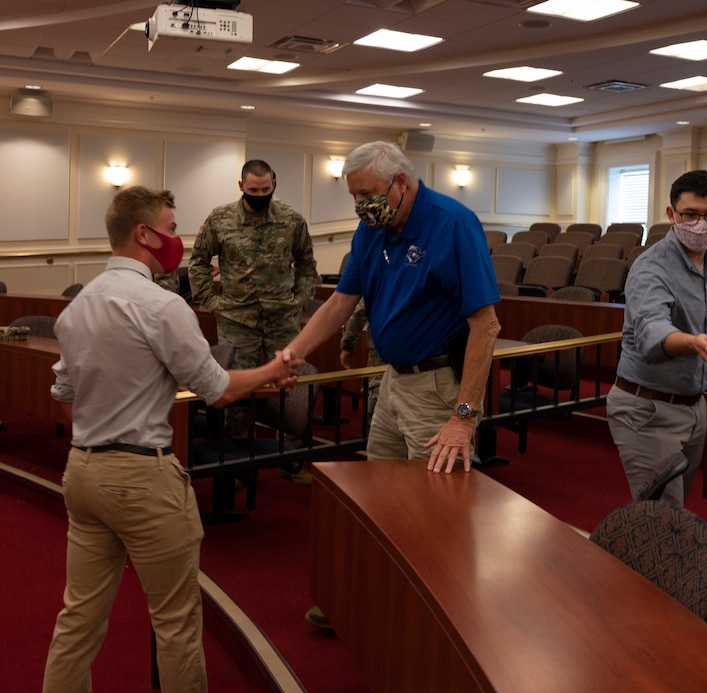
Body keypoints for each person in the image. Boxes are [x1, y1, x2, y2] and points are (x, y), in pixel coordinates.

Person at [39, 186, 300, 693]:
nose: (179, 240)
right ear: (143, 234)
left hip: (83, 472)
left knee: (77, 621)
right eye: (172, 227)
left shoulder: (77, 307)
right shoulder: (162, 305)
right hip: (142, 478)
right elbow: (217, 389)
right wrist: (272, 372)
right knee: (176, 620)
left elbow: (62, 396)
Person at [283, 141, 500, 626]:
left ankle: (444, 623)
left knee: (437, 514)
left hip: (439, 386)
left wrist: (463, 420)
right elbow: (341, 303)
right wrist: (294, 353)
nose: (361, 207)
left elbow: (486, 326)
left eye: (367, 194)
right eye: (355, 198)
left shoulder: (453, 224)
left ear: (400, 183)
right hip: (394, 382)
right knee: (380, 502)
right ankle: (371, 604)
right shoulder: (372, 228)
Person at [607, 169, 707, 506]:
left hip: (693, 407)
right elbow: (652, 333)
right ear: (672, 214)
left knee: (675, 516)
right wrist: (692, 342)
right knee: (662, 521)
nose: (700, 224)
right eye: (690, 215)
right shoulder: (651, 267)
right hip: (648, 409)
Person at [188, 158, 317, 396]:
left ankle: (289, 435)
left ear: (274, 185)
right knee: (237, 392)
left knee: (289, 389)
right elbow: (198, 262)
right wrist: (212, 303)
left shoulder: (292, 219)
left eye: (265, 190)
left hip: (282, 319)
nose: (260, 195)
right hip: (236, 320)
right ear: (241, 186)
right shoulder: (220, 219)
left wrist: (300, 301)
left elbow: (306, 263)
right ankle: (236, 434)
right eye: (253, 190)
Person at [339, 297, 384, 428]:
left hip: (382, 352)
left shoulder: (382, 276)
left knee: (377, 404)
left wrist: (348, 344)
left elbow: (360, 311)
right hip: (424, 354)